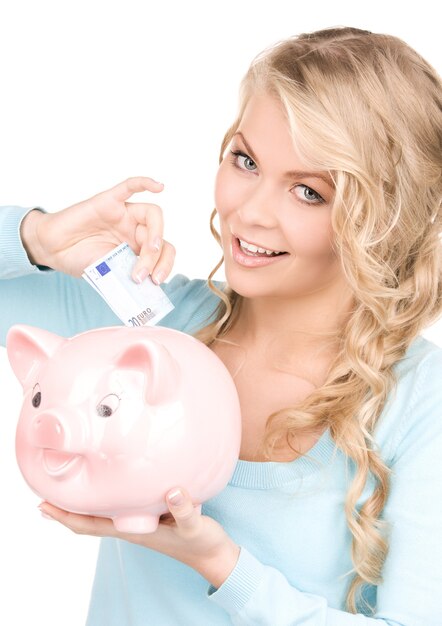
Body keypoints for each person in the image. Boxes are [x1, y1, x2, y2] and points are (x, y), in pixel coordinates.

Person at [1, 25, 441, 625]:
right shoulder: (149, 318)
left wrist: (223, 567)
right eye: (246, 160)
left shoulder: (421, 402)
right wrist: (39, 238)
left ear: (383, 219)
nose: (250, 210)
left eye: (308, 192)